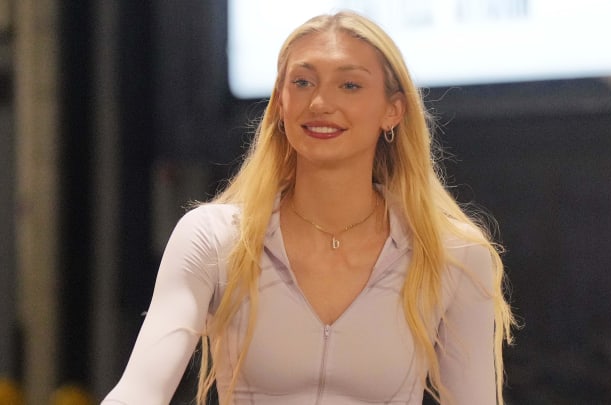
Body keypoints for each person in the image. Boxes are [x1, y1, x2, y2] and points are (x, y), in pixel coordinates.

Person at [102, 10, 515, 405]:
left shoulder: (452, 255)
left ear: (393, 110)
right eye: (302, 82)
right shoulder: (214, 238)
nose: (319, 102)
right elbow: (139, 390)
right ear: (280, 103)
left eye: (349, 85)